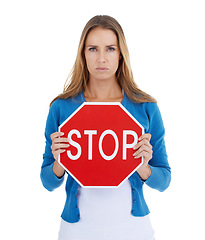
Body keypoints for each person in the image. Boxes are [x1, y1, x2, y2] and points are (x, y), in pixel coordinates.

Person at [40, 15, 171, 240]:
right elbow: (47, 181)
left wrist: (143, 167)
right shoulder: (61, 108)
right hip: (76, 231)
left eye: (110, 48)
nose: (101, 58)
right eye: (93, 49)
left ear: (121, 54)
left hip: (134, 230)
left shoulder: (146, 108)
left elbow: (164, 181)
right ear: (83, 53)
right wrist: (60, 163)